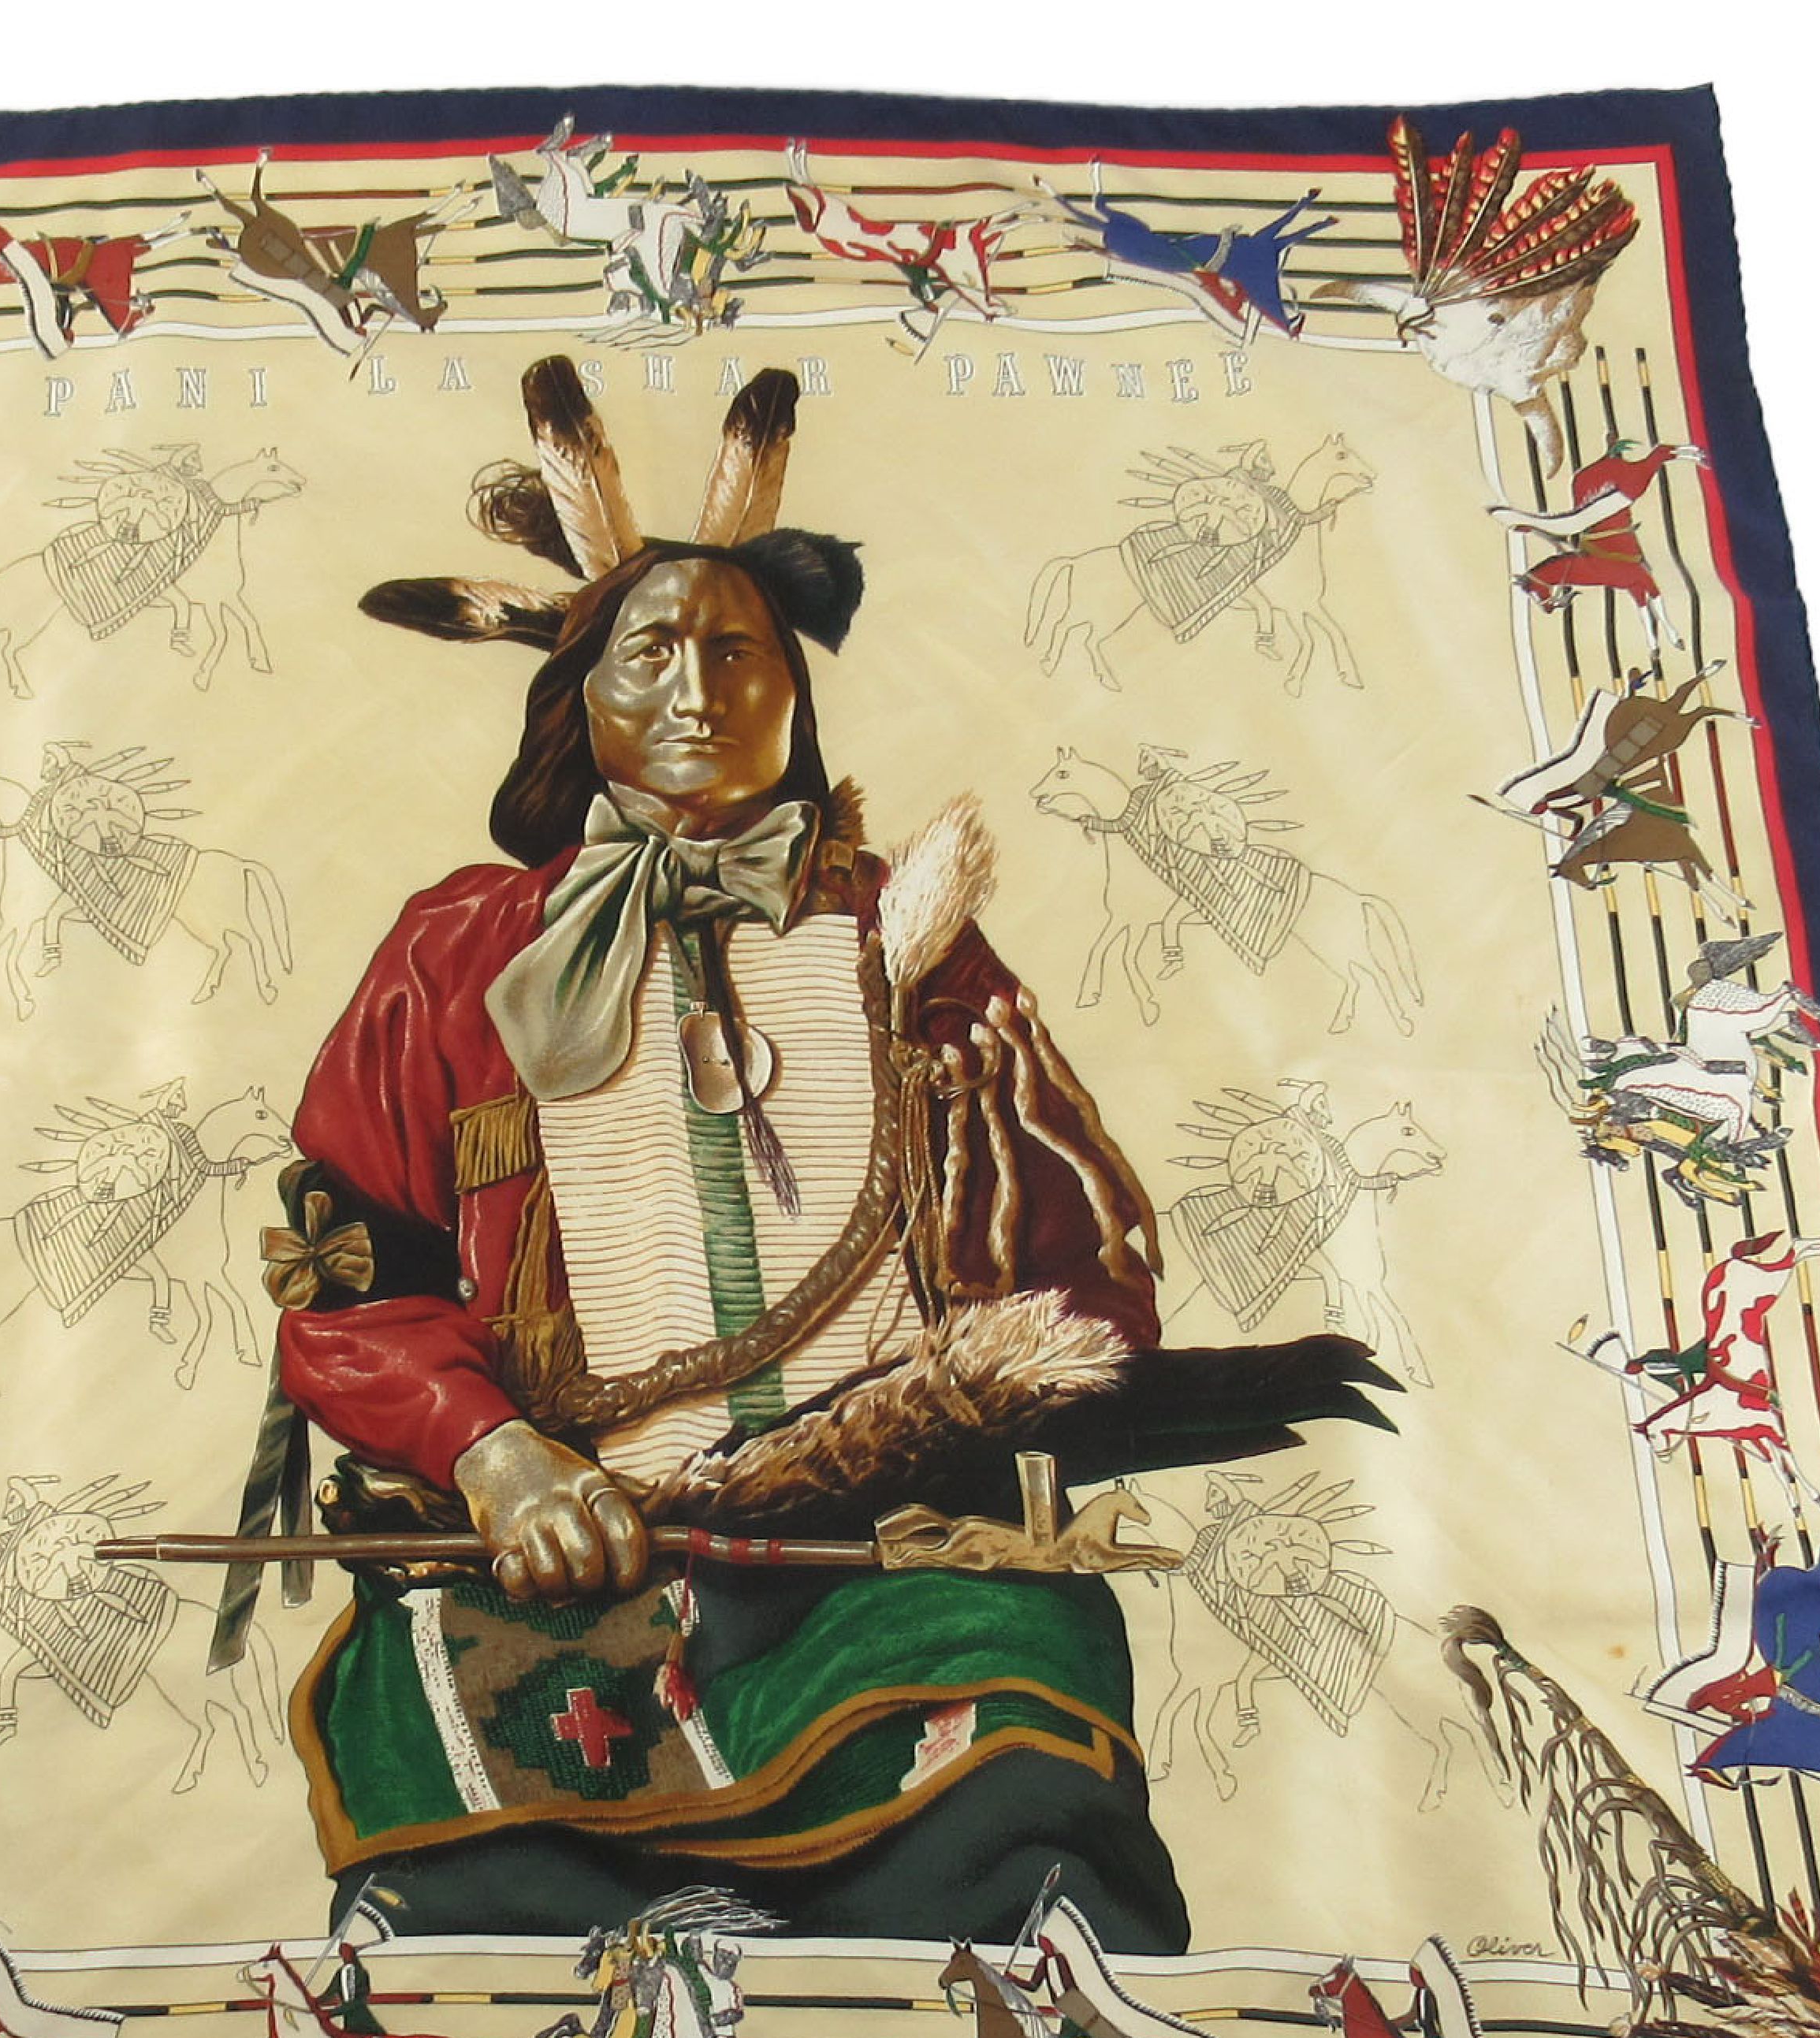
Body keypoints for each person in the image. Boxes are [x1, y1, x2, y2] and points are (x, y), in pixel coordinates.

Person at [248, 359, 1392, 1950]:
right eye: (650, 653)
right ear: (578, 703)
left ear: (794, 694)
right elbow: (345, 1280)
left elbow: (1085, 1280)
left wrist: (970, 1386)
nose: (698, 691)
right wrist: (497, 1458)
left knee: (1024, 1772)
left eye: (739, 650)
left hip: (891, 1563)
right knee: (466, 1863)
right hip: (567, 1565)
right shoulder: (459, 956)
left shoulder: (907, 941)